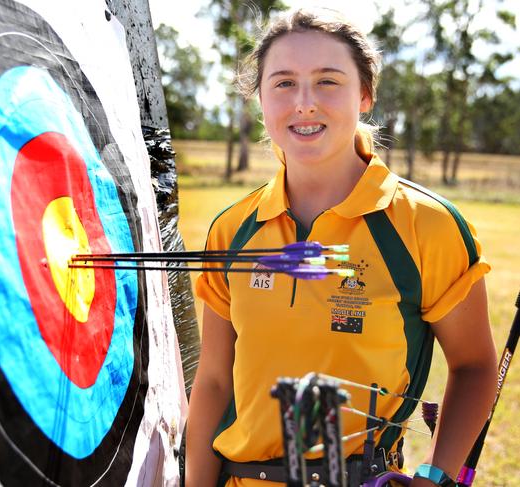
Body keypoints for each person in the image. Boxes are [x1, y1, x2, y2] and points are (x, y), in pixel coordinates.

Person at [185, 8, 498, 487]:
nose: (305, 103)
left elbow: (474, 366)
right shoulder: (233, 230)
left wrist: (436, 475)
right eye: (284, 83)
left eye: (328, 81)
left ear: (365, 95)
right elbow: (212, 382)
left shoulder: (425, 224)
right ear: (260, 100)